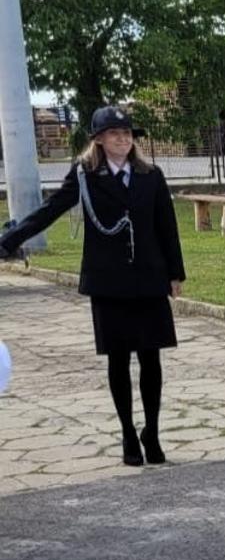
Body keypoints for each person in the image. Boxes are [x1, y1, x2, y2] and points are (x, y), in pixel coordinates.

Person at [1, 107, 184, 467]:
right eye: (115, 134)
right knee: (119, 359)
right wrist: (9, 240)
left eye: (128, 133)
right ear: (98, 139)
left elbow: (167, 226)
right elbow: (50, 210)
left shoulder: (151, 175)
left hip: (148, 276)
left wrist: (175, 274)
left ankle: (153, 430)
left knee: (151, 358)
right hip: (109, 280)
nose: (123, 139)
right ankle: (129, 434)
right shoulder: (86, 176)